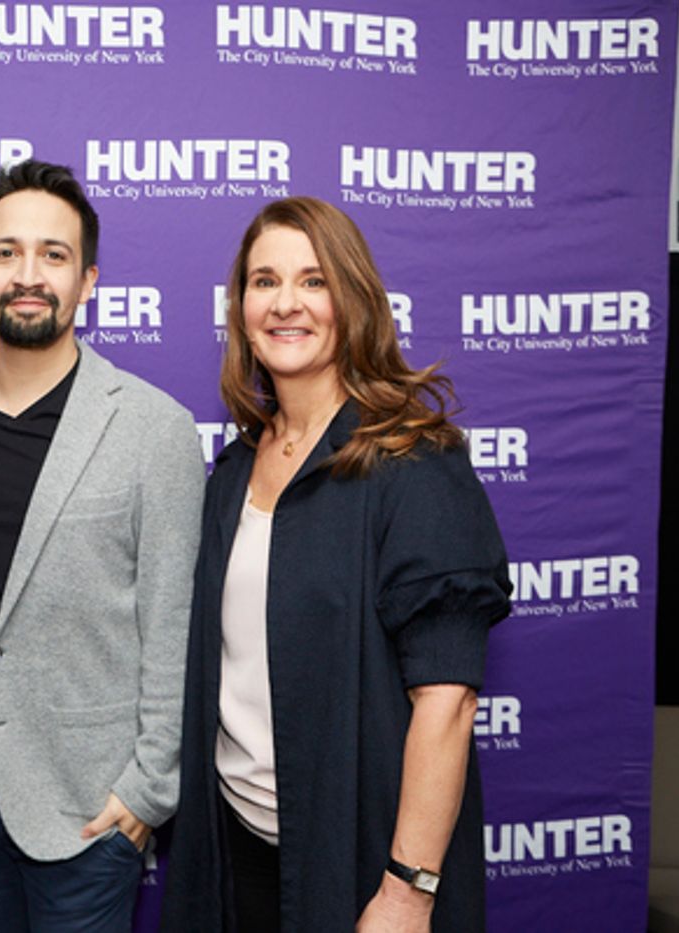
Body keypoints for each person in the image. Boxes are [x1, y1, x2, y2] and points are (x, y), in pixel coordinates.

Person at [160, 197, 511, 933]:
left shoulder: (414, 464)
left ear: (352, 298)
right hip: (237, 852)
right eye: (264, 281)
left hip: (362, 866)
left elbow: (446, 704)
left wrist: (407, 891)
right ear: (241, 306)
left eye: (313, 280)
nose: (286, 303)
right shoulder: (234, 471)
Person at [0, 159, 205, 932]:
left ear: (88, 279)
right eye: (7, 253)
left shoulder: (152, 426)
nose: (28, 274)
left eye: (53, 255)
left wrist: (144, 788)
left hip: (88, 808)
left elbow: (172, 621)